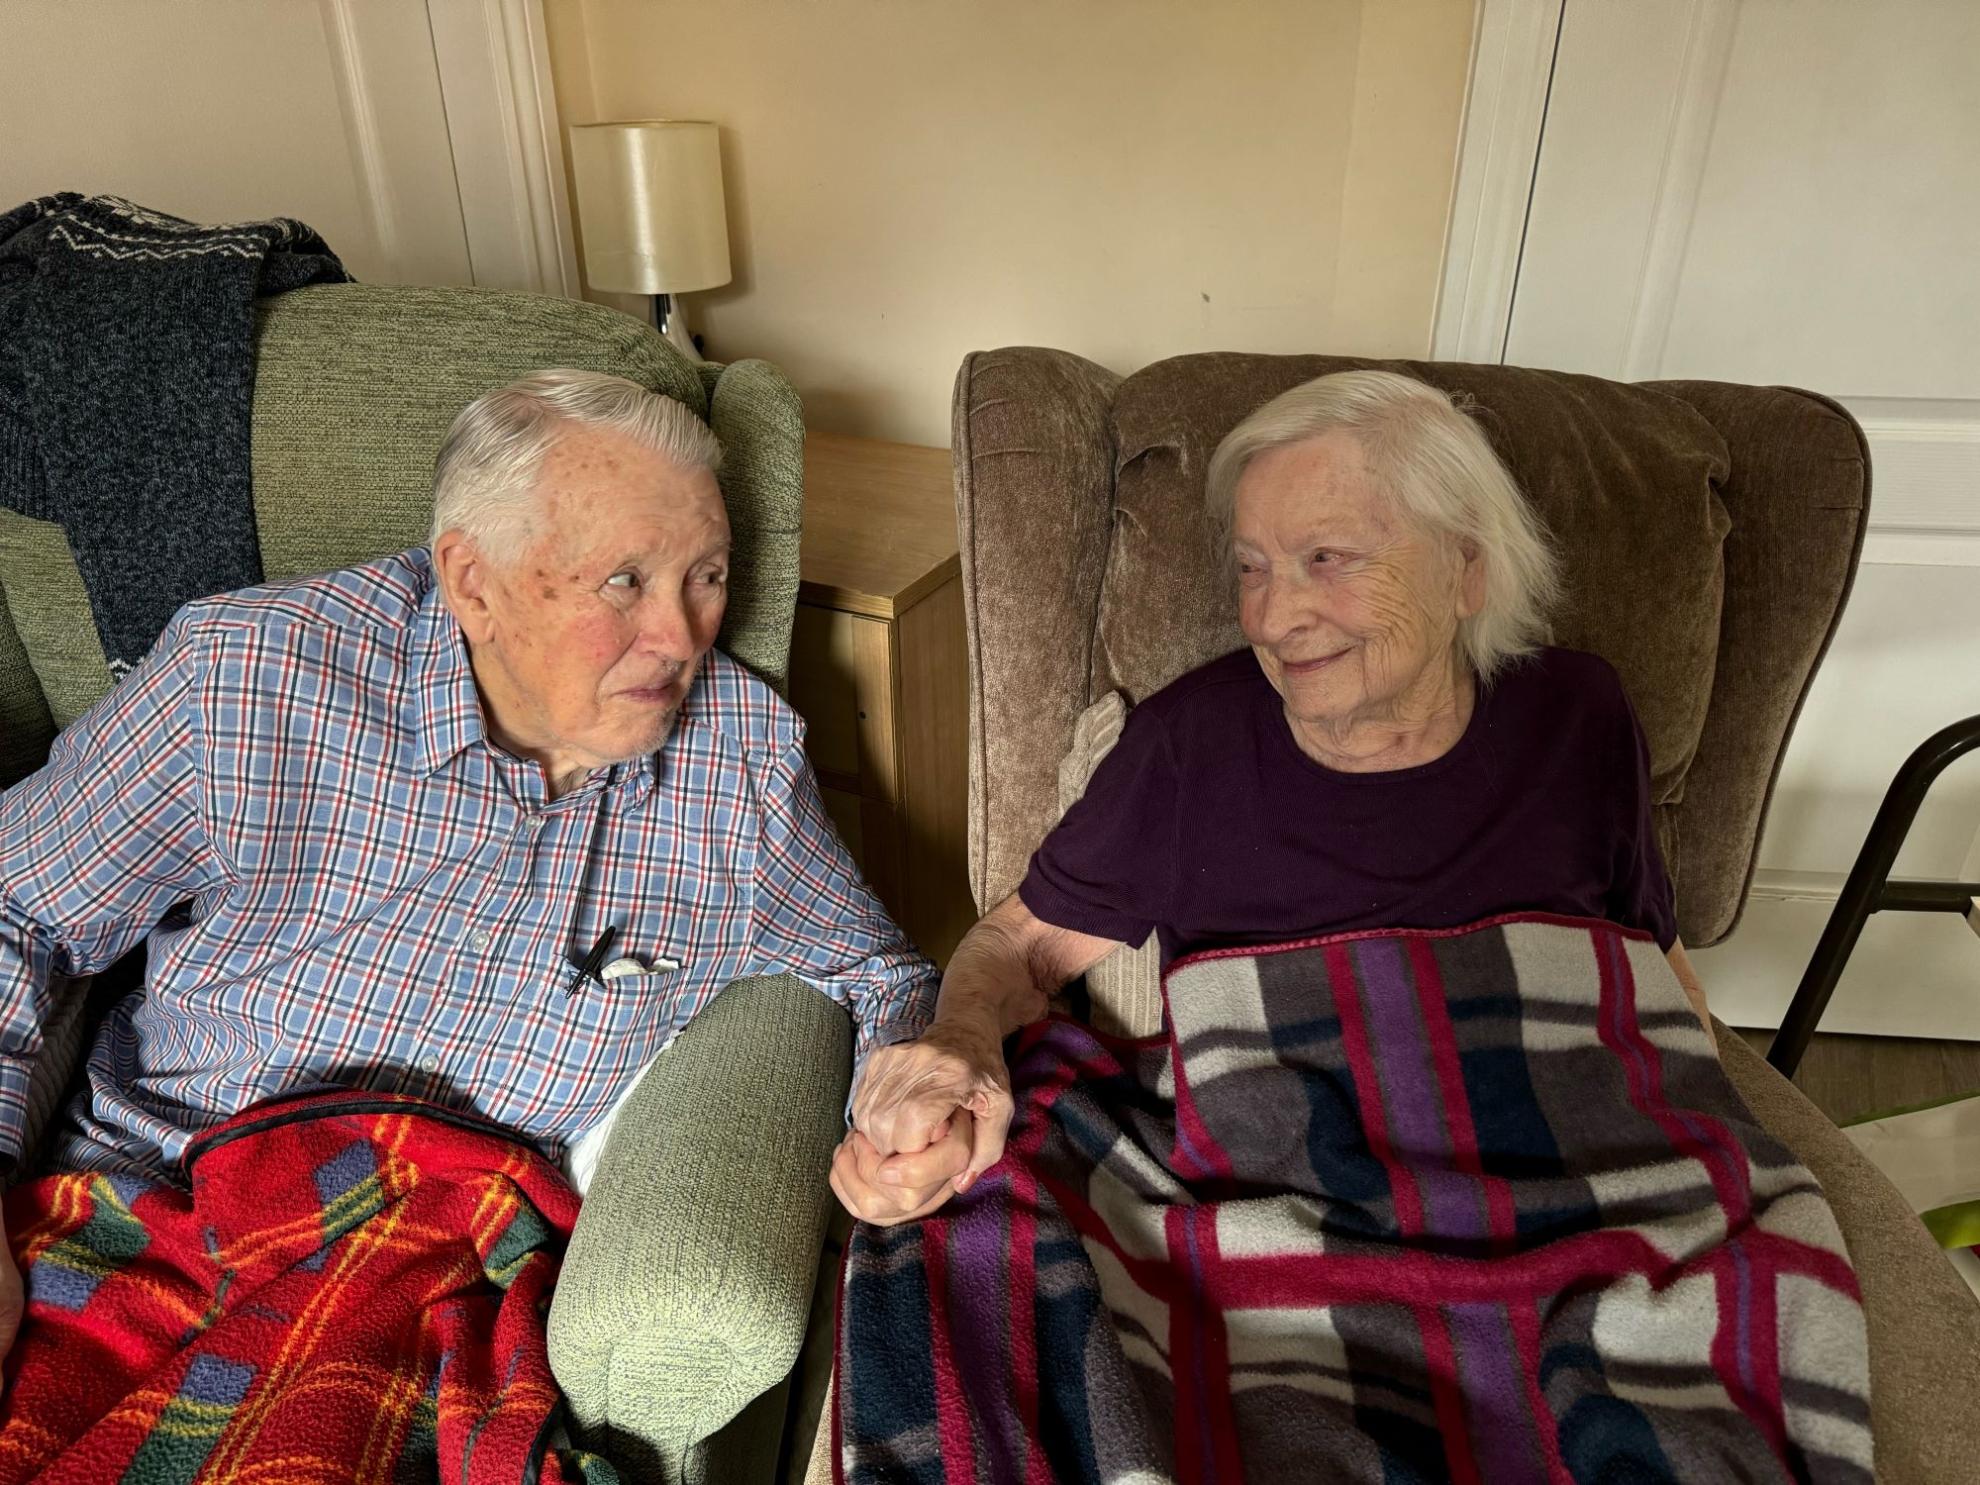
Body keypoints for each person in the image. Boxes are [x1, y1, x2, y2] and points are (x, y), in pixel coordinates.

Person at [0, 368, 936, 1355]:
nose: (681, 637)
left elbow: (883, 976)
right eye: (625, 580)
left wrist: (902, 1104)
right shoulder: (247, 675)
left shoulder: (742, 762)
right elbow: (15, 902)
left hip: (448, 1273)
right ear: (472, 582)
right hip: (162, 1197)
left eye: (707, 574)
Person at [834, 367, 1711, 1227]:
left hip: (1557, 1186)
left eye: (1326, 559)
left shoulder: (1579, 716)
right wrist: (958, 1045)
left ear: (1465, 572)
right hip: (1274, 1199)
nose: (1270, 616)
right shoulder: (1192, 747)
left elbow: (1648, 960)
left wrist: (1711, 1123)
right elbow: (1017, 945)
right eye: (1254, 568)